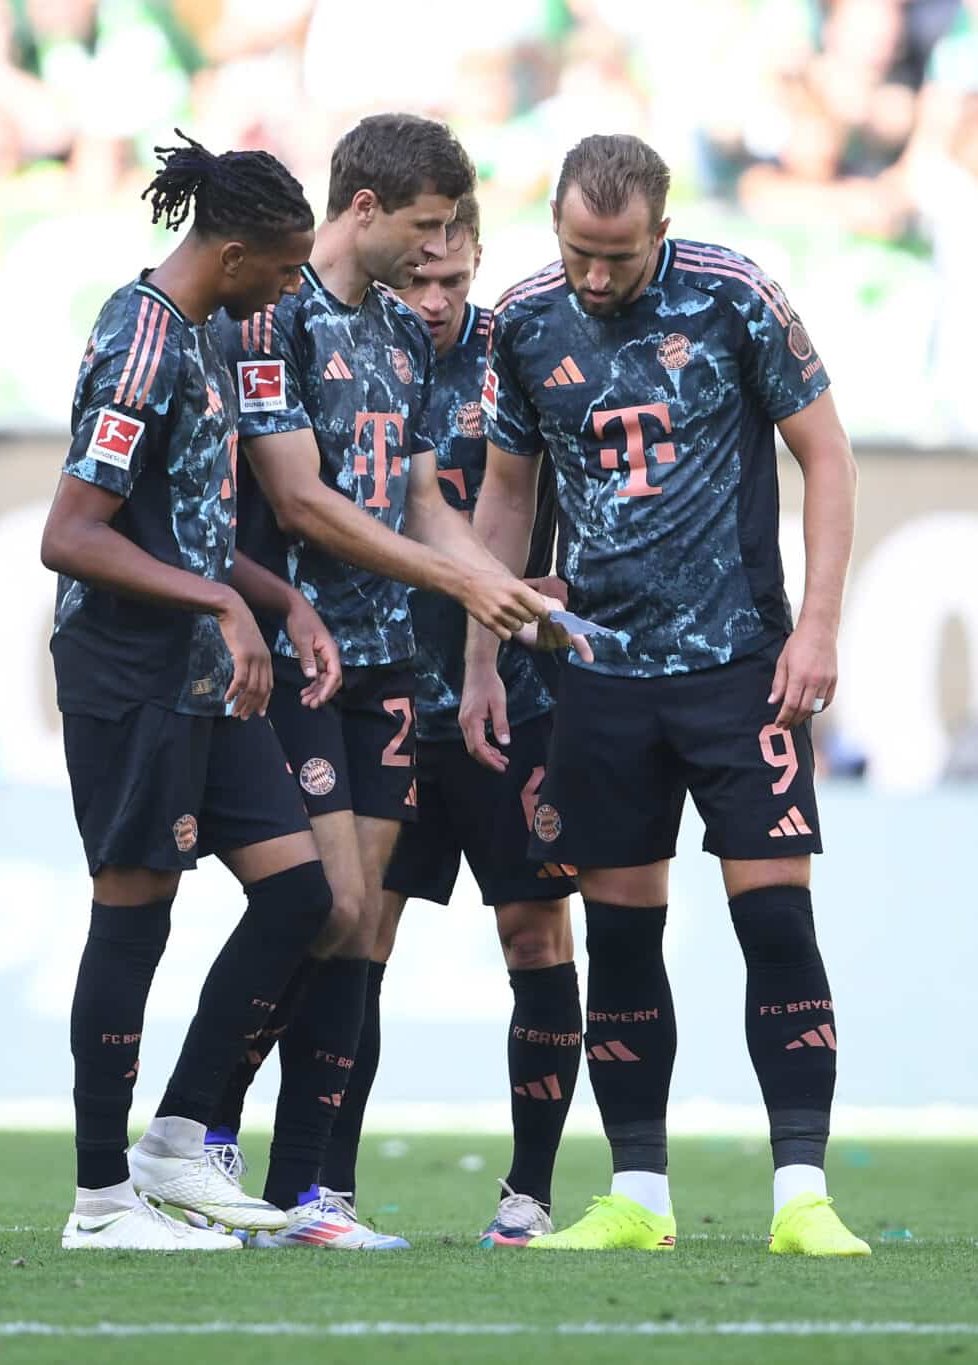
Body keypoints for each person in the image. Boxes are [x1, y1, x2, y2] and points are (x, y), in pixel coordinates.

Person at [465, 134, 869, 1257]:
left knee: (775, 920)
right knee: (620, 939)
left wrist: (819, 628)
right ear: (552, 224)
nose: (596, 279)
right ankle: (636, 1194)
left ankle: (801, 1196)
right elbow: (507, 494)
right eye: (577, 252)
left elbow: (826, 458)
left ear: (661, 229)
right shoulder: (523, 320)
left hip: (739, 663)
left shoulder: (736, 298)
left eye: (619, 257)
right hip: (594, 674)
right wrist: (484, 655)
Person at [201, 114, 576, 1249]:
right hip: (297, 648)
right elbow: (308, 503)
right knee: (327, 908)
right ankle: (200, 1134)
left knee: (353, 924)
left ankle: (304, 1193)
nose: (434, 265)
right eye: (423, 234)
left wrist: (495, 588)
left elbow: (422, 501)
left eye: (452, 247)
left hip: (383, 667)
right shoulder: (276, 320)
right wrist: (465, 587)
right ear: (366, 212)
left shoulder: (405, 343)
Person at [39, 133, 339, 1252]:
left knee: (303, 897)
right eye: (283, 265)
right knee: (133, 919)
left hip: (203, 679)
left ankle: (174, 1139)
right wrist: (219, 607)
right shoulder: (138, 342)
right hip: (131, 676)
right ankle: (100, 1201)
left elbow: (193, 529)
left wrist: (276, 601)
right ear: (234, 252)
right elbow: (70, 537)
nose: (291, 286)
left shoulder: (204, 337)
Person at [388, 191, 584, 1248]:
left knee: (534, 928)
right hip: (379, 687)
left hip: (515, 701)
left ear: (477, 265)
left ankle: (529, 1191)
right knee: (348, 929)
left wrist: (573, 588)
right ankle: (314, 1188)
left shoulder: (525, 352)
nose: (432, 301)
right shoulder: (350, 354)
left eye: (452, 281)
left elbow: (603, 492)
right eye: (414, 279)